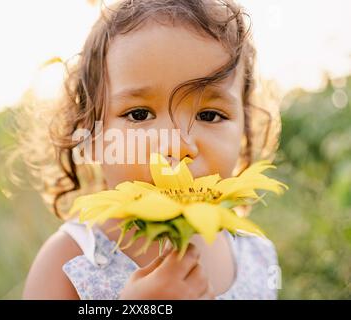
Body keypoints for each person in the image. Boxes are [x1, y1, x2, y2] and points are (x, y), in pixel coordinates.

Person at [20, 0, 281, 300]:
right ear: (90, 135)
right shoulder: (70, 261)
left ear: (245, 130)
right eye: (139, 114)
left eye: (209, 115)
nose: (177, 146)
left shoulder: (256, 257)